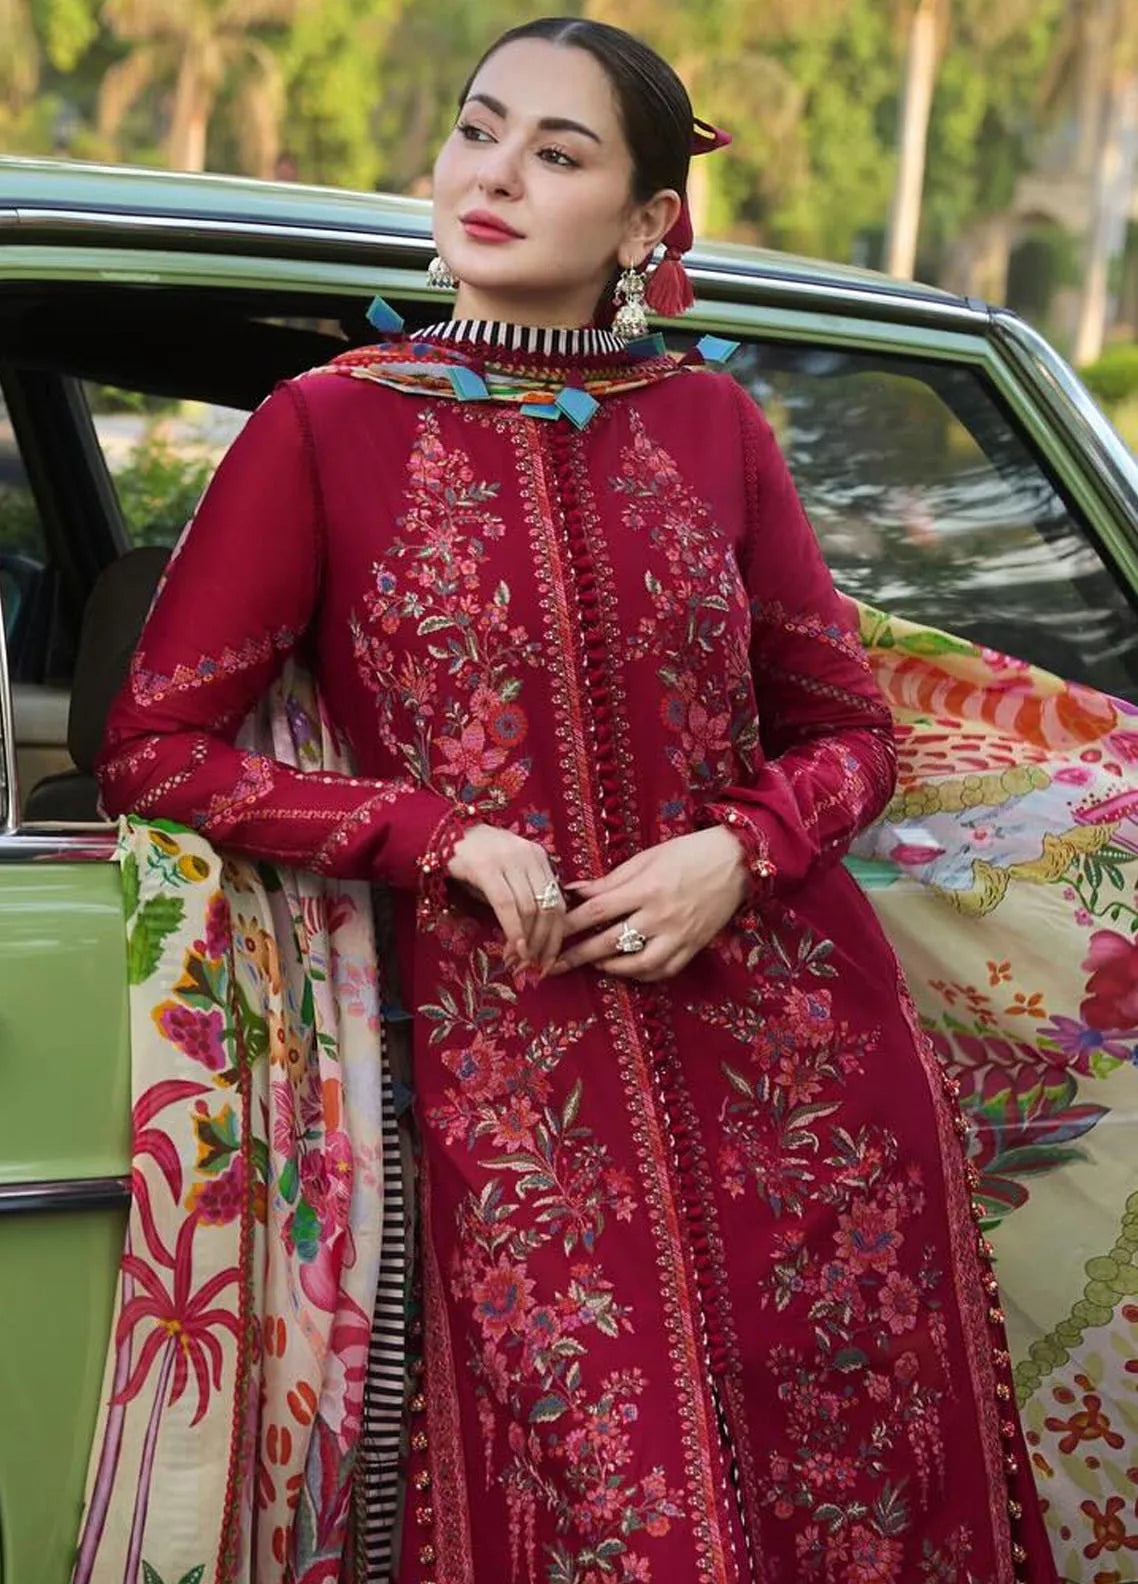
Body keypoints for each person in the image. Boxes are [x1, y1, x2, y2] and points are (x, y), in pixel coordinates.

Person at [96, 17, 1059, 1582]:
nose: (494, 175)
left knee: (858, 1526)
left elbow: (847, 733)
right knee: (618, 1520)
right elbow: (157, 747)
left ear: (644, 220)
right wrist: (438, 835)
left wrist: (736, 852)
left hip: (805, 1087)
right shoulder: (325, 429)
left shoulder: (714, 427)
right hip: (518, 1083)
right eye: (479, 131)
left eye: (557, 153)